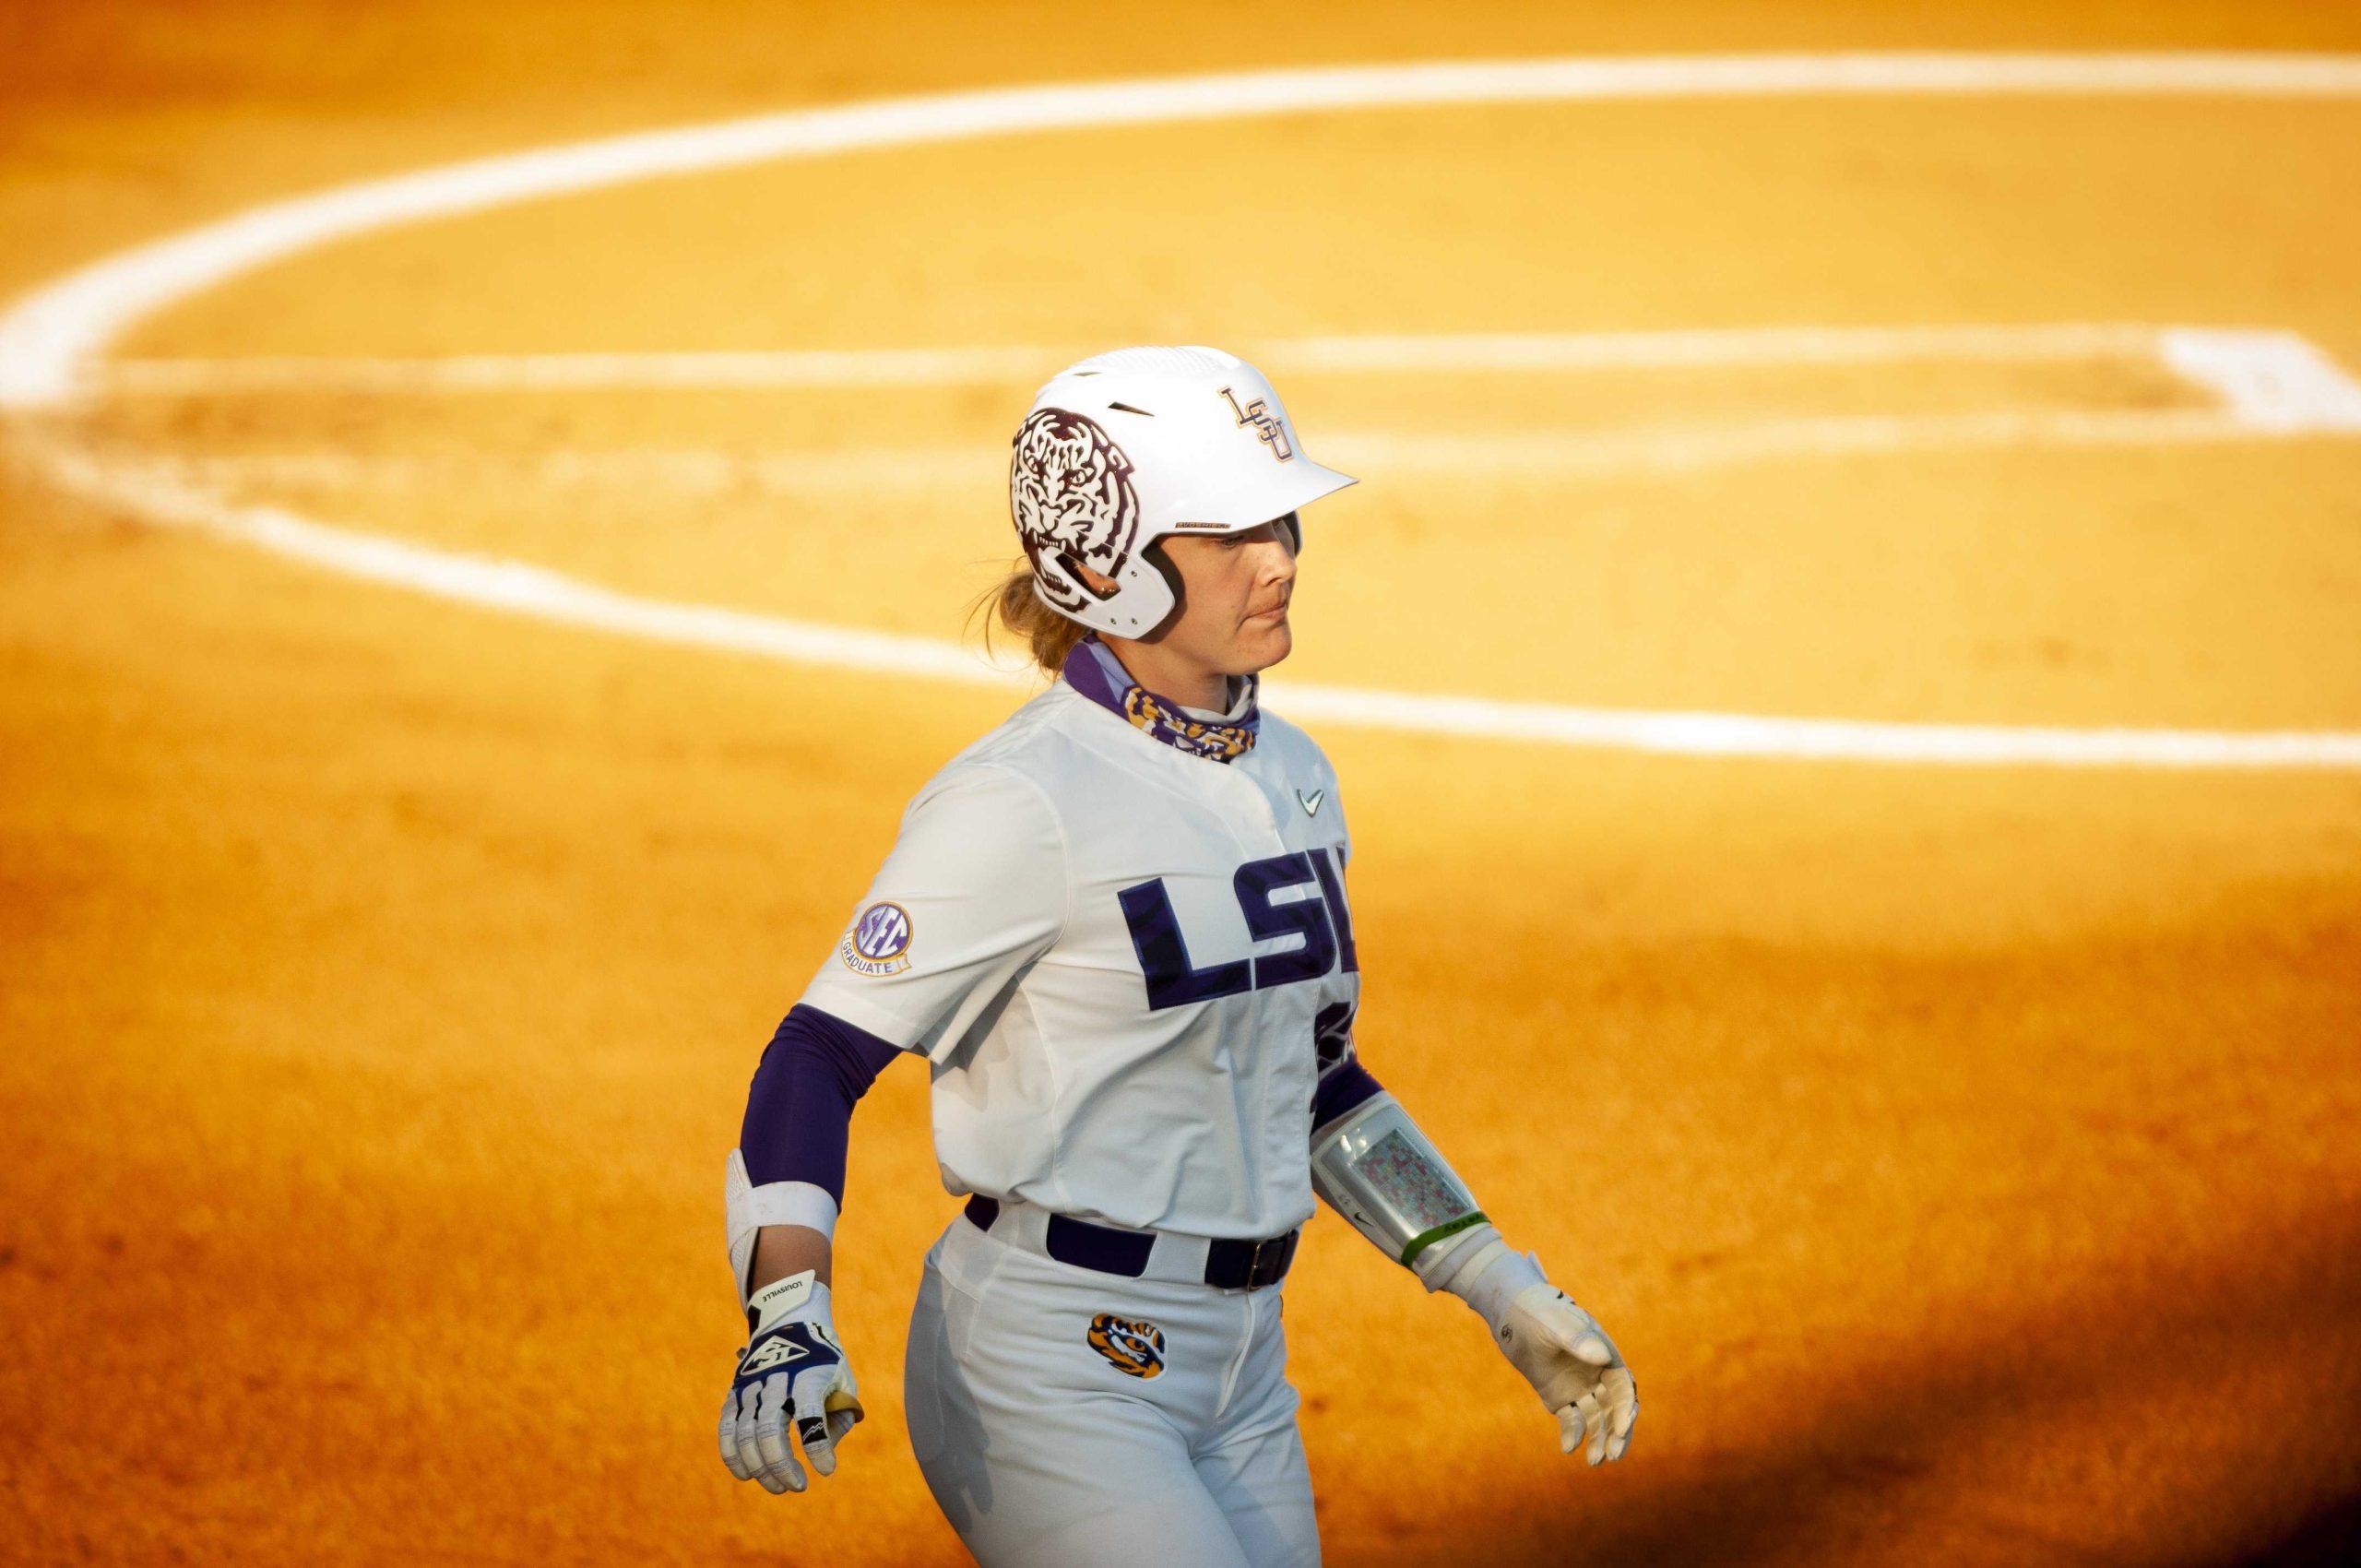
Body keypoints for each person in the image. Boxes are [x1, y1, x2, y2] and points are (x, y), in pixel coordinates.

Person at [718, 345, 1638, 1566]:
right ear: (1100, 563)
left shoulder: (1296, 779)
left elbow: (1314, 1082)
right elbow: (815, 1057)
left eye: (1285, 524)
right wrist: (787, 1306)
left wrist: (1493, 1279)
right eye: (1230, 536)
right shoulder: (1021, 802)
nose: (1282, 562)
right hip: (1048, 1369)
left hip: (1243, 1366)